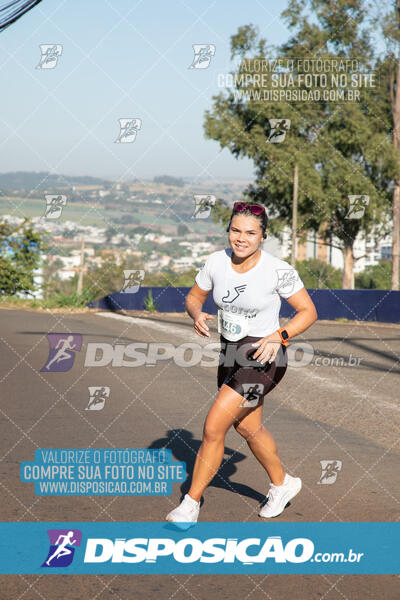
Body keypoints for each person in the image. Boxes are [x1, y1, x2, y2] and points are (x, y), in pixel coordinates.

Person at [166, 201, 317, 526]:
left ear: (263, 236)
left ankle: (191, 504)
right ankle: (283, 484)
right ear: (229, 231)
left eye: (250, 232)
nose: (241, 238)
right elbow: (194, 297)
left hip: (264, 357)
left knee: (212, 428)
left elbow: (308, 311)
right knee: (248, 426)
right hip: (230, 355)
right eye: (236, 230)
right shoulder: (216, 262)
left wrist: (281, 335)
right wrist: (196, 314)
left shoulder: (278, 269)